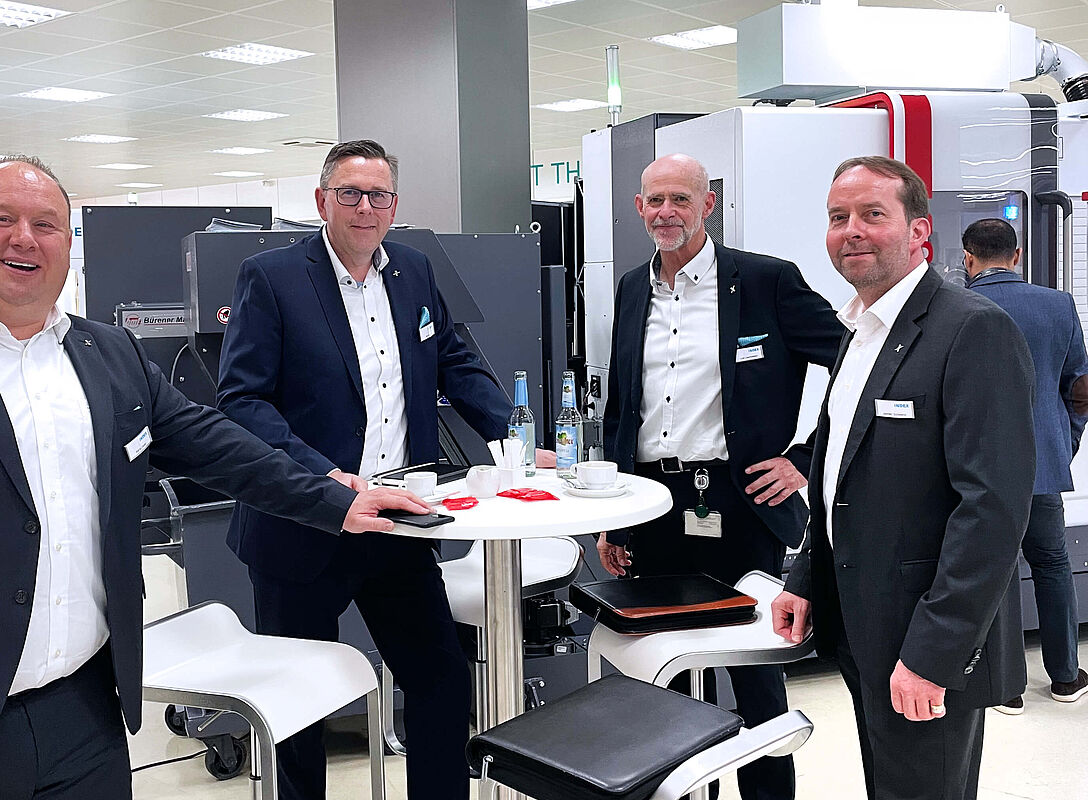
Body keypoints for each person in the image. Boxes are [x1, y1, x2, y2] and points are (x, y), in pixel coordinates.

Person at [0, 156, 430, 800]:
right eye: (1, 219)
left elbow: (221, 449)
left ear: (68, 243)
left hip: (86, 707)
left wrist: (336, 500)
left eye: (47, 224)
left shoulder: (108, 355)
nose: (25, 239)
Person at [216, 139, 550, 800]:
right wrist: (322, 475)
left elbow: (455, 360)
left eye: (378, 195)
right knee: (299, 703)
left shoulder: (414, 272)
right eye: (350, 193)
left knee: (439, 677)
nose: (365, 207)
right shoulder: (272, 277)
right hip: (305, 522)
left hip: (397, 520)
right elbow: (242, 399)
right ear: (323, 201)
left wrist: (513, 435)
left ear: (394, 205)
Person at [771, 156, 1036, 800]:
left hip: (923, 630)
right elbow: (841, 471)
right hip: (859, 615)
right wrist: (805, 577)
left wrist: (933, 653)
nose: (851, 231)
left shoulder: (972, 329)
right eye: (838, 217)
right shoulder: (858, 331)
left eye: (872, 214)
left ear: (919, 230)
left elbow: (992, 510)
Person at [599, 153, 844, 800]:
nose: (666, 213)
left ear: (708, 205)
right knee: (666, 675)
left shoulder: (764, 281)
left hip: (740, 503)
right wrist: (616, 512)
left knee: (754, 677)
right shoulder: (631, 287)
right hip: (652, 505)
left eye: (680, 199)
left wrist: (804, 459)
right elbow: (622, 406)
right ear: (639, 208)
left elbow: (858, 362)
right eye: (655, 201)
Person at [962, 218, 1088, 711]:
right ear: (1017, 256)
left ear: (968, 259)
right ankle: (1066, 678)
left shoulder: (957, 306)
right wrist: (1063, 443)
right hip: (1042, 467)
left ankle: (1006, 686)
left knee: (995, 569)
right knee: (1052, 564)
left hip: (976, 470)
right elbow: (1079, 388)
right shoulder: (1059, 305)